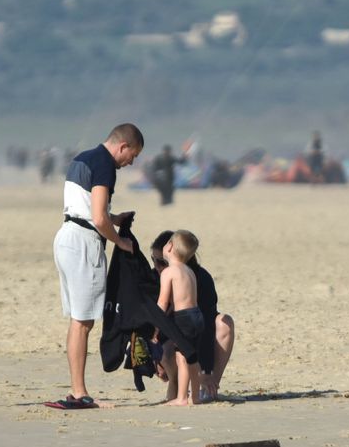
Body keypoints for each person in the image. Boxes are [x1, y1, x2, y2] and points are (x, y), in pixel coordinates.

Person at [51, 123, 144, 409]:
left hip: (65, 237)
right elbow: (98, 219)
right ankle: (79, 392)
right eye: (133, 156)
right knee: (83, 322)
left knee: (77, 320)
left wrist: (114, 218)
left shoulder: (84, 157)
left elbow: (89, 208)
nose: (131, 162)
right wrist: (120, 241)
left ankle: (77, 388)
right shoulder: (106, 165)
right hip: (84, 244)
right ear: (123, 146)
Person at [151, 229, 236, 401]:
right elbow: (146, 321)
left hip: (194, 334)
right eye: (153, 260)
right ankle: (178, 390)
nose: (156, 266)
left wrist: (206, 369)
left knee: (224, 322)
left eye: (160, 261)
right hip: (169, 338)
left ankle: (207, 386)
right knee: (171, 353)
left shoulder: (200, 278)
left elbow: (204, 324)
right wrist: (153, 357)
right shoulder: (153, 278)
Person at [156, 230, 205, 406]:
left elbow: (162, 303)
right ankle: (196, 396)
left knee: (181, 358)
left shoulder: (169, 272)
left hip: (183, 318)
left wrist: (155, 327)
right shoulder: (189, 271)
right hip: (197, 316)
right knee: (193, 358)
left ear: (169, 246)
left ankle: (182, 397)